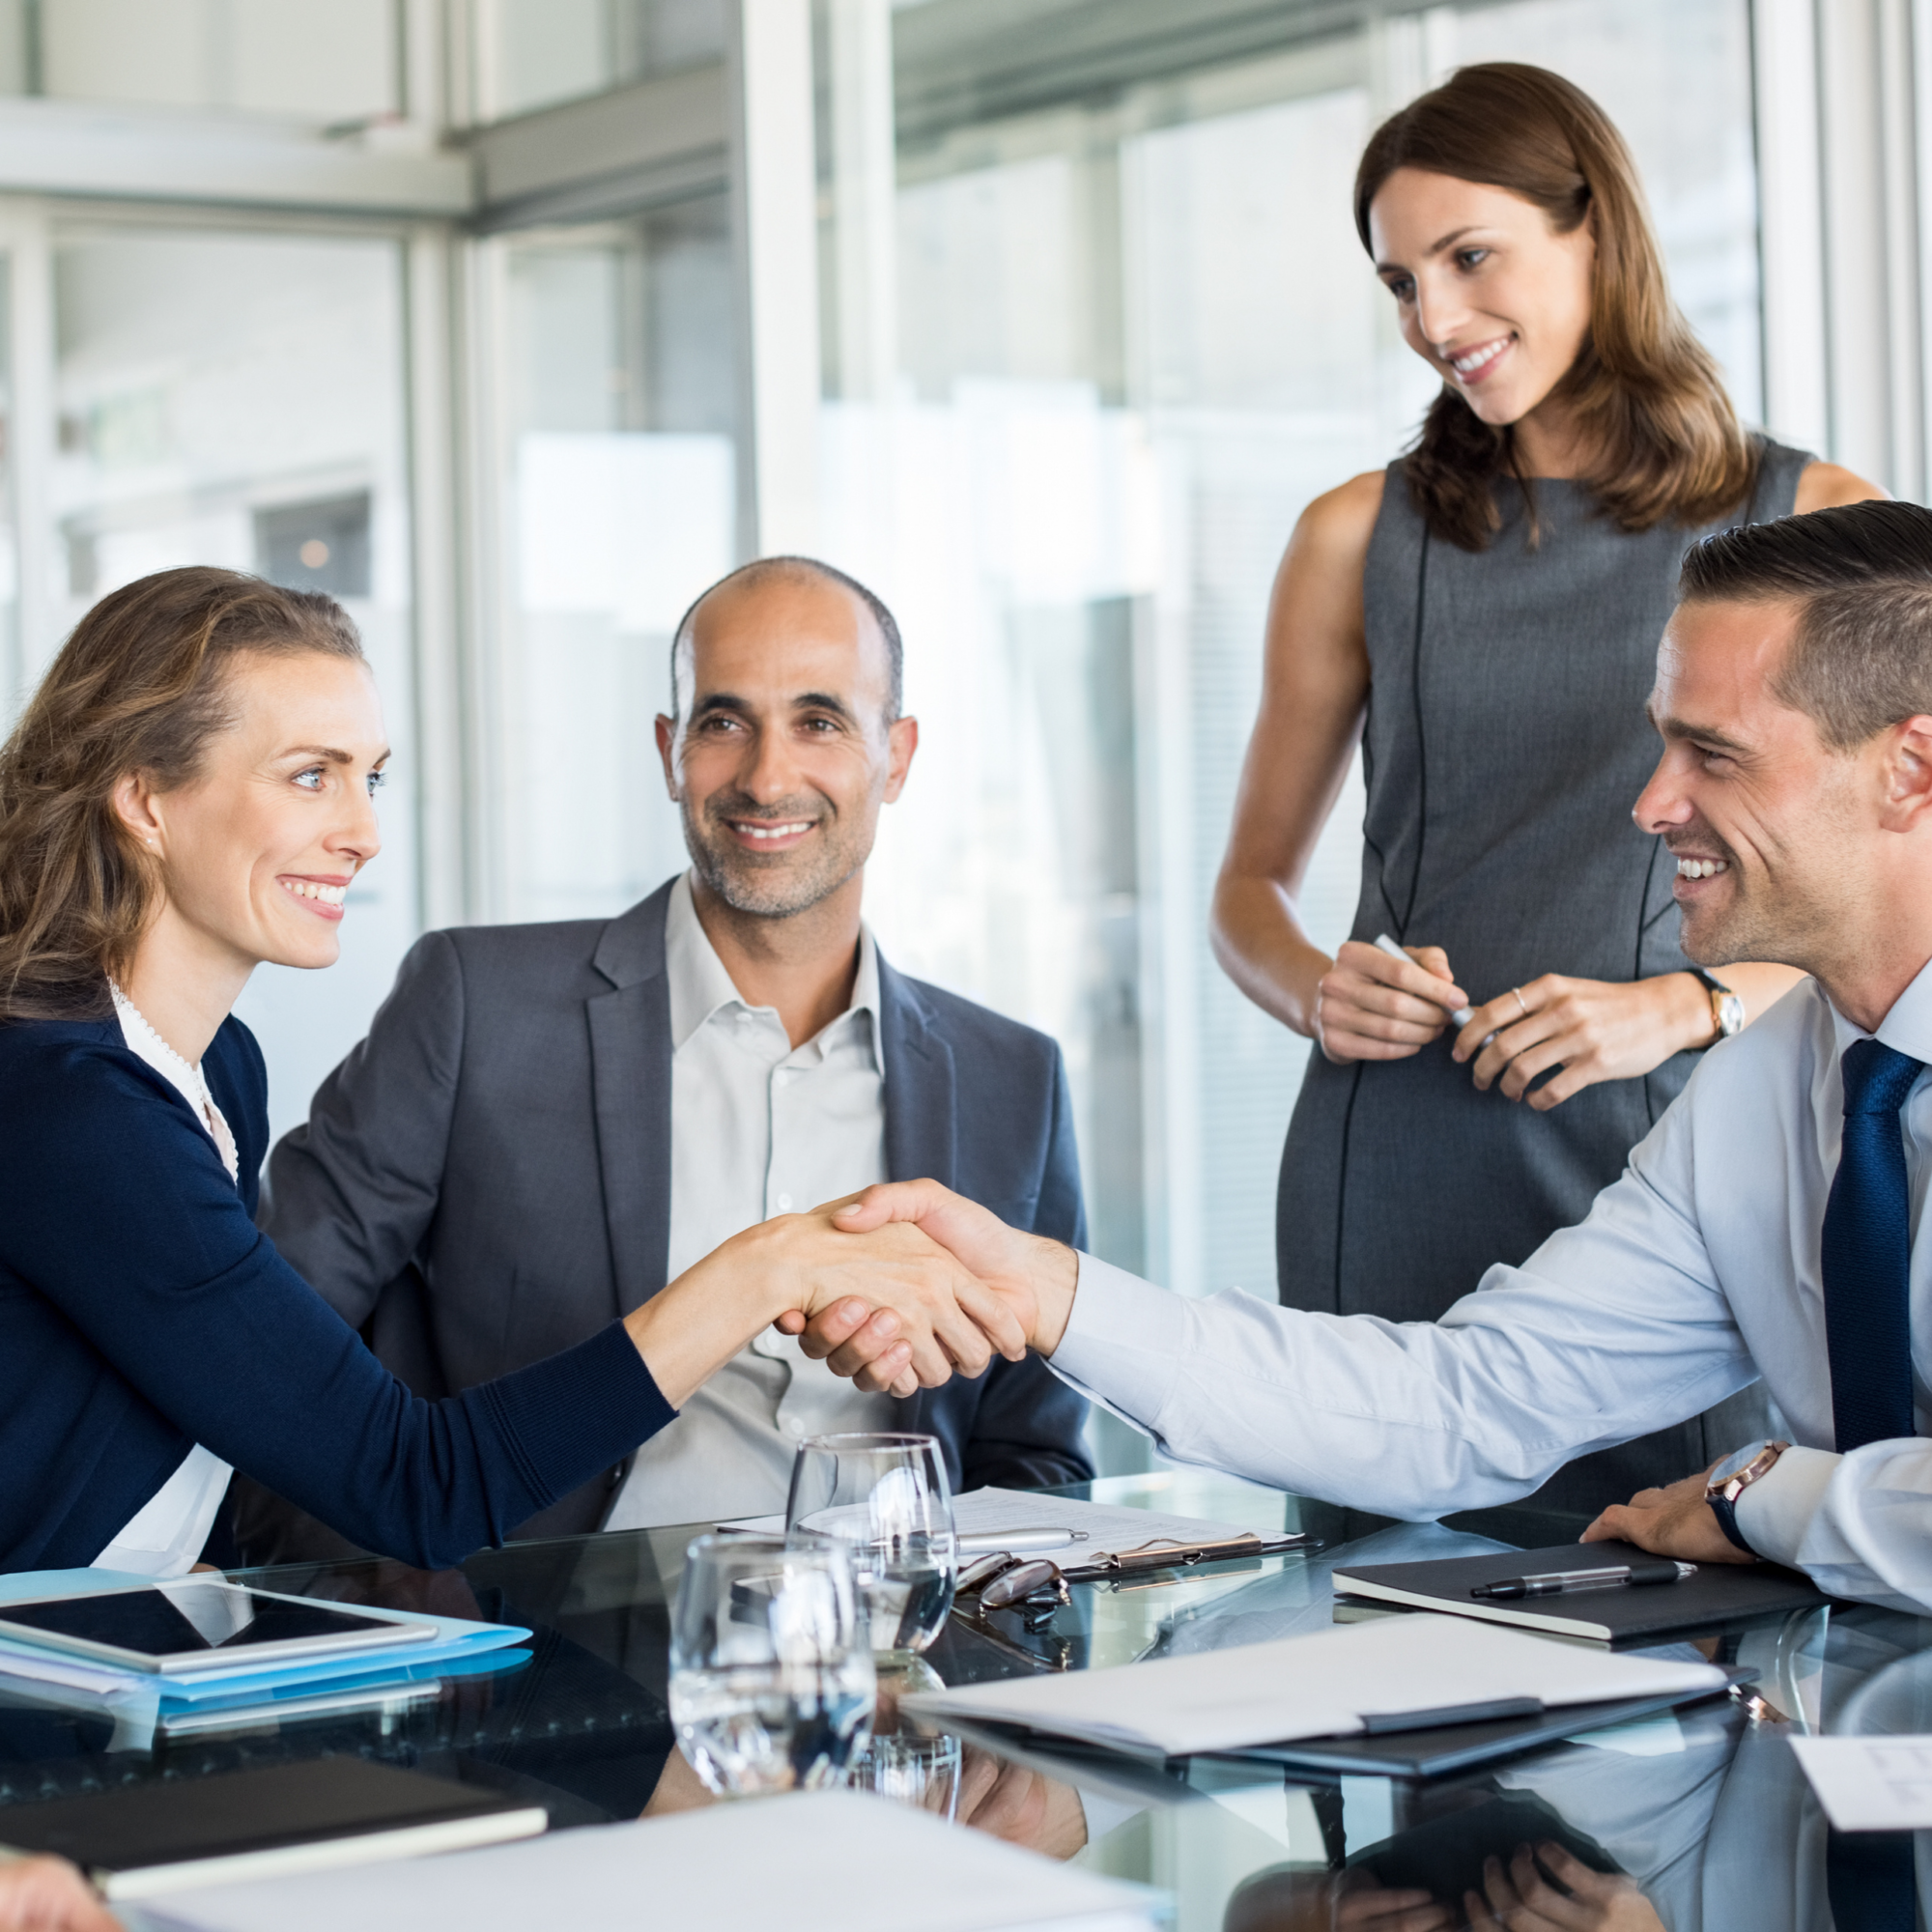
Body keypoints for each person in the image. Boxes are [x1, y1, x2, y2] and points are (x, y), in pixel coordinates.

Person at [809, 500, 1932, 1616]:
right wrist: (1047, 1291)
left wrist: (1770, 1497)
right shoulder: (1757, 1098)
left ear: (1908, 767)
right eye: (1661, 740)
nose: (1650, 802)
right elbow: (1458, 1405)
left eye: (1714, 754)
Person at [0, 566, 1012, 1577]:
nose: (363, 832)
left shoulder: (214, 1065)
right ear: (145, 798)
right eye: (311, 773)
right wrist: (769, 1265)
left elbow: (224, 1402)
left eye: (371, 776)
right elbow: (405, 1474)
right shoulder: (70, 1104)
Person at [1209, 63, 1881, 1507]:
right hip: (1387, 1158)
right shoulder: (1353, 536)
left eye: (1469, 258)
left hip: (1683, 1148)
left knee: (1695, 1604)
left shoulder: (1822, 524)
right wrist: (1315, 985)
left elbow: (1902, 898)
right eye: (1400, 281)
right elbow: (1244, 892)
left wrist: (1680, 1010)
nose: (1433, 321)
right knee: (1367, 1631)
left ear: (1595, 231)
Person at [239, 554, 1088, 1558]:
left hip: (884, 1667)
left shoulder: (1012, 1080)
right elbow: (264, 1356)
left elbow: (1037, 1462)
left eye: (819, 721)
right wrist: (392, 1619)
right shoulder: (474, 1005)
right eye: (723, 722)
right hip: (534, 1664)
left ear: (895, 756)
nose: (767, 776)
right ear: (668, 750)